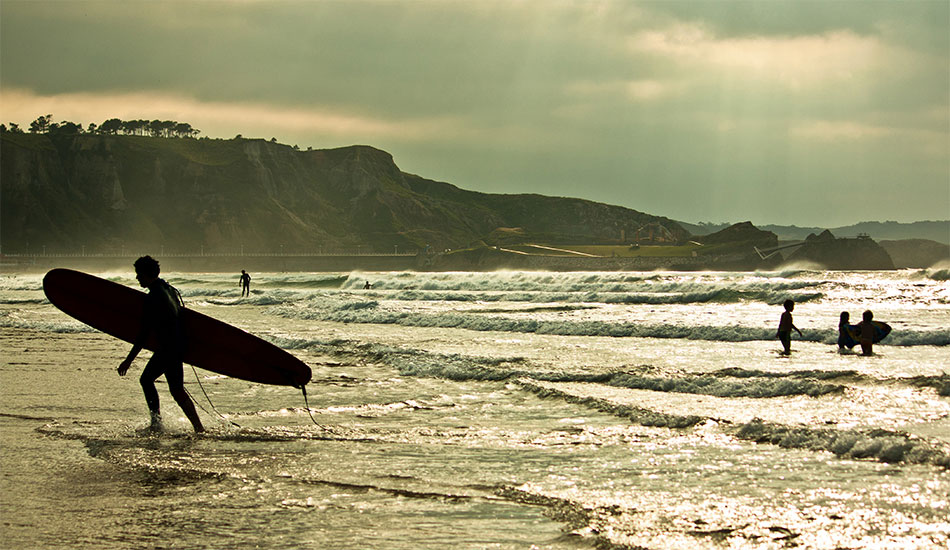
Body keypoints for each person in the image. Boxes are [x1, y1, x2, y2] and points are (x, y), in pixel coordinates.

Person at [118, 256, 204, 433]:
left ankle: (156, 424)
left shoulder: (154, 297)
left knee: (146, 379)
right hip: (177, 347)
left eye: (138, 274)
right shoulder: (168, 289)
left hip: (167, 349)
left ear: (146, 274)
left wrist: (128, 360)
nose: (137, 278)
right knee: (176, 390)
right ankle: (199, 428)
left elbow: (143, 334)